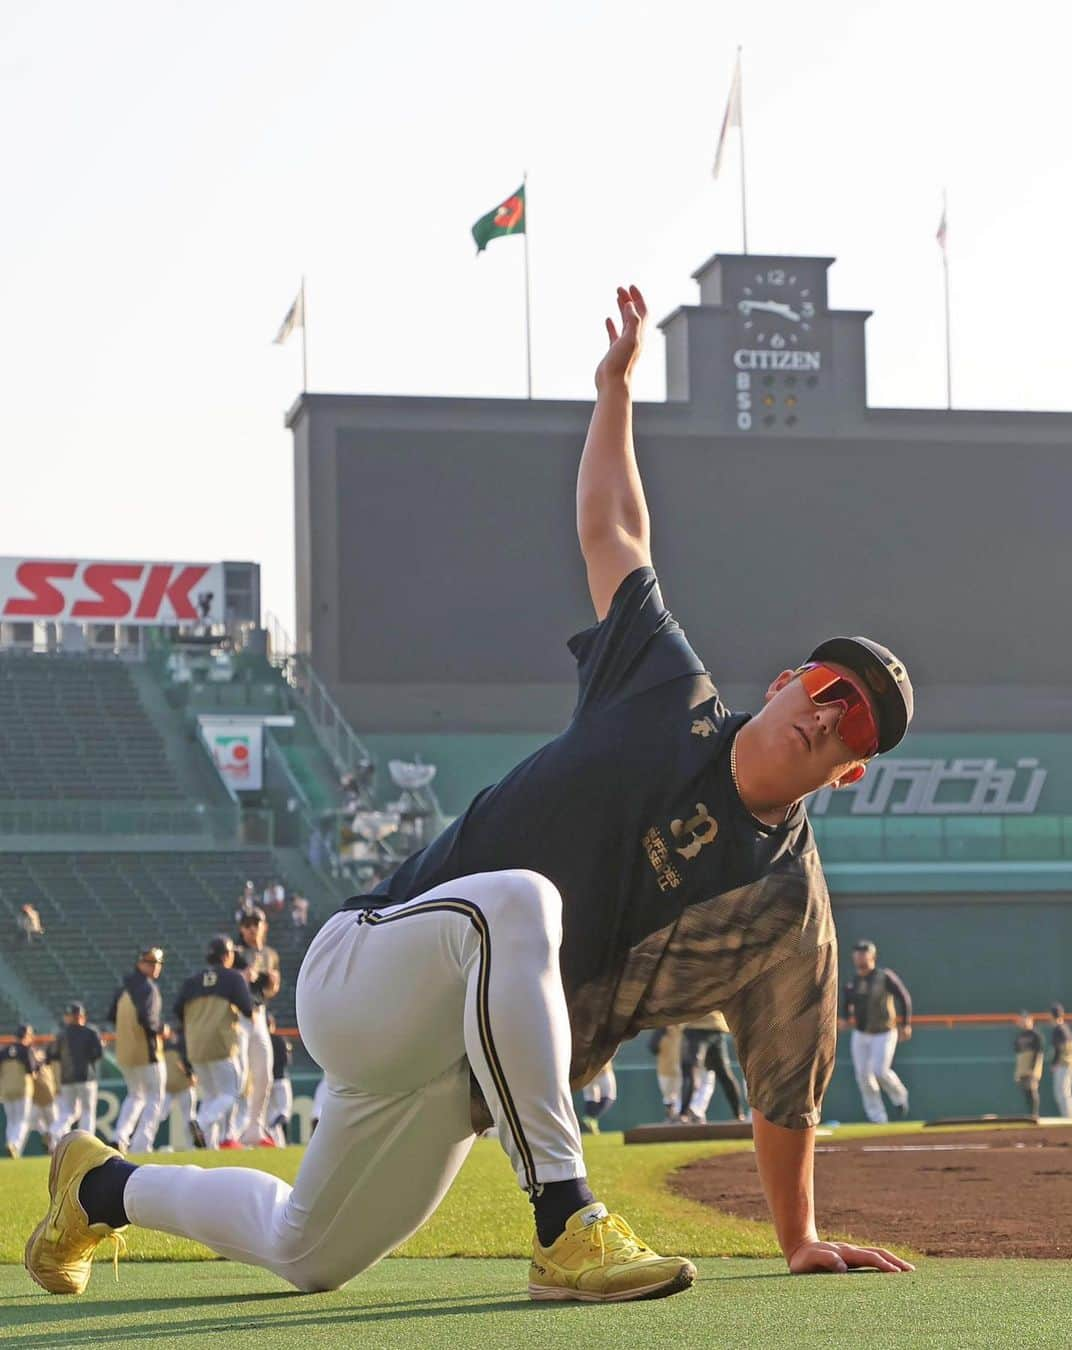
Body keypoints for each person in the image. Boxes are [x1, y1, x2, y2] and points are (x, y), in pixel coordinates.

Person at [26, 283, 915, 1300]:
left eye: (857, 731)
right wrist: (616, 389)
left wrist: (798, 1235)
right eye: (832, 690)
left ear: (850, 769)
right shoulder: (668, 690)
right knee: (523, 900)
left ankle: (100, 1187)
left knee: (306, 1249)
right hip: (371, 969)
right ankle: (567, 1221)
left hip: (454, 1081)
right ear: (789, 679)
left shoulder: (785, 903)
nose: (833, 717)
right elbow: (614, 530)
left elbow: (788, 1084)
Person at [173, 937, 254, 1150]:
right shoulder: (233, 978)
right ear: (227, 956)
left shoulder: (191, 981)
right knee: (230, 1094)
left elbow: (177, 1012)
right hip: (221, 1045)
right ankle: (199, 1123)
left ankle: (205, 1146)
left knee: (210, 1096)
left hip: (195, 1047)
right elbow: (247, 1008)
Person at [841, 941, 912, 1124]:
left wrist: (906, 1024)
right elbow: (846, 1003)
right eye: (857, 955)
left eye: (863, 954)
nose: (860, 958)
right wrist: (845, 1018)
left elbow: (904, 997)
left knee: (880, 1071)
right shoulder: (853, 982)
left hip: (884, 1032)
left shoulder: (884, 976)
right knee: (863, 1076)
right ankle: (878, 1118)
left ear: (872, 956)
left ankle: (900, 1096)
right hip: (861, 1033)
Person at [107, 947, 167, 1155]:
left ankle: (119, 1137)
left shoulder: (123, 986)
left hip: (124, 1052)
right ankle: (142, 1143)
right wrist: (162, 1028)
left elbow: (110, 1015)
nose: (155, 967)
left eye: (157, 963)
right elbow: (149, 1021)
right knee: (155, 1097)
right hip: (146, 1052)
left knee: (135, 1096)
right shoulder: (148, 988)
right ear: (141, 964)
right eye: (151, 963)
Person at [231, 908, 281, 1147]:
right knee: (240, 1075)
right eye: (247, 924)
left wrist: (271, 983)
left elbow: (270, 990)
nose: (252, 928)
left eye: (256, 923)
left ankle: (255, 1128)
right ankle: (232, 1130)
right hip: (238, 1017)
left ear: (264, 926)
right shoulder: (235, 952)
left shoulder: (270, 954)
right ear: (241, 928)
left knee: (264, 1074)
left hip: (259, 1014)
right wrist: (241, 976)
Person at [680, 1012, 747, 1124]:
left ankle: (684, 1114)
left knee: (695, 1071)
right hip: (708, 1027)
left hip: (703, 1028)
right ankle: (738, 1114)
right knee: (719, 1073)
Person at [50, 1004, 104, 1140]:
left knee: (69, 1112)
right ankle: (86, 1142)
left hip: (67, 1079)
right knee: (87, 1112)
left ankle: (55, 1130)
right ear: (82, 1016)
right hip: (86, 1078)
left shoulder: (61, 1035)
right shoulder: (90, 1032)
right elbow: (98, 1053)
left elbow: (53, 1056)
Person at [161, 1029, 205, 1150]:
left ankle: (139, 1145)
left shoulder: (164, 1043)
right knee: (189, 1117)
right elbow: (182, 1061)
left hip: (168, 1085)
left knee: (158, 1115)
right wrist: (190, 1074)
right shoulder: (185, 1040)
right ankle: (192, 1146)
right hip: (183, 1084)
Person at [2, 1025, 40, 1158]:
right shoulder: (26, 1050)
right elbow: (32, 1071)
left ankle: (11, 1145)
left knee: (11, 1121)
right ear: (27, 1036)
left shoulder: (4, 1051)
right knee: (22, 1121)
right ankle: (15, 1145)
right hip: (22, 1089)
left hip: (6, 1090)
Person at [266, 1013, 293, 1147]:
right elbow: (287, 1060)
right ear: (272, 1024)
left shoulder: (259, 1042)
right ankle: (284, 1142)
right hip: (281, 1080)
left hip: (267, 1082)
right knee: (283, 1112)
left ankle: (278, 1142)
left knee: (271, 1115)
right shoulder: (279, 1039)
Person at [650, 1026, 684, 1122]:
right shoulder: (661, 1030)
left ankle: (679, 1118)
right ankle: (672, 1117)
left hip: (680, 1069)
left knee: (678, 1095)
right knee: (669, 1096)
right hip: (665, 1070)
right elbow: (653, 1047)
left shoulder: (684, 1028)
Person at [1048, 1003, 1072, 1120]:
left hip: (1063, 1064)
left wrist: (1054, 1063)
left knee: (1062, 1093)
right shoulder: (1065, 1028)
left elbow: (1059, 1048)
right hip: (1068, 1063)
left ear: (1052, 1016)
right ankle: (1068, 1118)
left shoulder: (1058, 1029)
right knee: (1064, 1092)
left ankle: (1068, 1118)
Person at [1013, 1013, 1044, 1117]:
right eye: (1022, 1021)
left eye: (1025, 1020)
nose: (1023, 1023)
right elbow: (1018, 1055)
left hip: (1032, 1068)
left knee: (1032, 1090)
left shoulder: (1035, 1035)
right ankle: (1030, 1114)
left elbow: (1038, 1052)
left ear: (1031, 1021)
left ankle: (1035, 1114)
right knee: (1026, 1092)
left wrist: (1033, 1068)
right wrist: (1018, 1071)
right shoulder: (1019, 1036)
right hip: (1023, 1068)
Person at [31, 1056, 61, 1155]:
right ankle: (49, 1138)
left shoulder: (47, 1067)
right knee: (37, 1123)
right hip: (41, 1100)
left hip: (48, 1099)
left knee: (54, 1124)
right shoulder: (40, 1068)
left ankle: (54, 1146)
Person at [580, 1059, 616, 1134]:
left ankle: (590, 1121)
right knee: (604, 1097)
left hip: (595, 1071)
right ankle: (590, 1120)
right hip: (591, 1070)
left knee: (595, 1097)